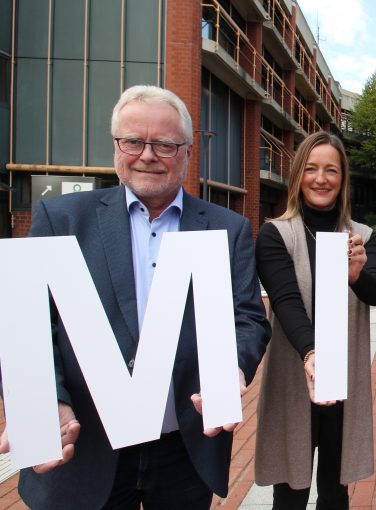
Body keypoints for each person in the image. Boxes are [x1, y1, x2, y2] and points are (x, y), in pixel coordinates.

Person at [0, 85, 271, 509]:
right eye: (133, 141)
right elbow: (30, 323)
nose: (147, 155)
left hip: (183, 445)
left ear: (185, 151)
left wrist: (233, 367)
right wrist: (50, 400)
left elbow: (248, 317)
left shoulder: (227, 228)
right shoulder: (63, 219)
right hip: (89, 443)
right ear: (116, 146)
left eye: (164, 144)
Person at [254, 131, 376, 509]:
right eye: (311, 169)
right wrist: (311, 353)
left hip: (342, 382)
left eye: (331, 170)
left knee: (334, 490)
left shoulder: (362, 236)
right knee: (290, 491)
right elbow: (285, 301)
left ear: (343, 178)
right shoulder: (275, 234)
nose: (321, 179)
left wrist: (358, 275)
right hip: (295, 378)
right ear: (297, 175)